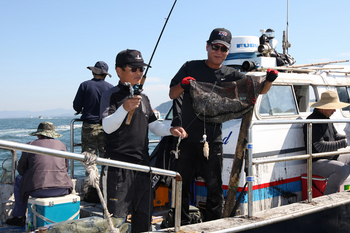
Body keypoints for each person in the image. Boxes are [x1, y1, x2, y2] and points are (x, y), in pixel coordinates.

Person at [169, 28, 277, 224]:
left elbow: (259, 91)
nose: (218, 52)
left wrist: (269, 80)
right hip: (185, 137)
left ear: (227, 52)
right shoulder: (190, 67)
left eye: (223, 49)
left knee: (214, 186)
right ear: (207, 46)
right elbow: (172, 94)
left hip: (213, 139)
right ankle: (180, 223)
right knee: (181, 184)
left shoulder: (231, 74)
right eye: (215, 47)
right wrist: (183, 85)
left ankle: (214, 224)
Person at [100, 49, 187, 233]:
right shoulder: (111, 95)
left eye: (141, 69)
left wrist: (170, 130)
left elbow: (155, 127)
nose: (139, 73)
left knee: (144, 219)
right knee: (115, 221)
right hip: (117, 168)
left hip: (143, 167)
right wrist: (124, 108)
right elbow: (107, 127)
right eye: (134, 69)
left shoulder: (144, 98)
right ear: (119, 71)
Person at [6, 122, 73, 226]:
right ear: (53, 135)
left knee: (19, 179)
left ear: (38, 135)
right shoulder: (62, 145)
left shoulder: (30, 145)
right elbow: (66, 168)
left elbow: (21, 170)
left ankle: (19, 216)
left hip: (38, 191)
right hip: (63, 189)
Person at [303, 90, 350, 195]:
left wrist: (348, 137)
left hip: (331, 157)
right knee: (343, 170)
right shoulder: (312, 121)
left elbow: (335, 136)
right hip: (317, 162)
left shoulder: (326, 118)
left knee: (344, 168)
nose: (334, 110)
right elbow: (320, 146)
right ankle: (329, 197)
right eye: (333, 107)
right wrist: (345, 142)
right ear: (324, 106)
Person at [73, 61, 113, 158]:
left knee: (89, 157)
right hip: (106, 126)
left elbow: (76, 106)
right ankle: (106, 173)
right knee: (107, 156)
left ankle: (92, 173)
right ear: (105, 75)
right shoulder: (111, 88)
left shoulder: (84, 85)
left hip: (89, 126)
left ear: (93, 72)